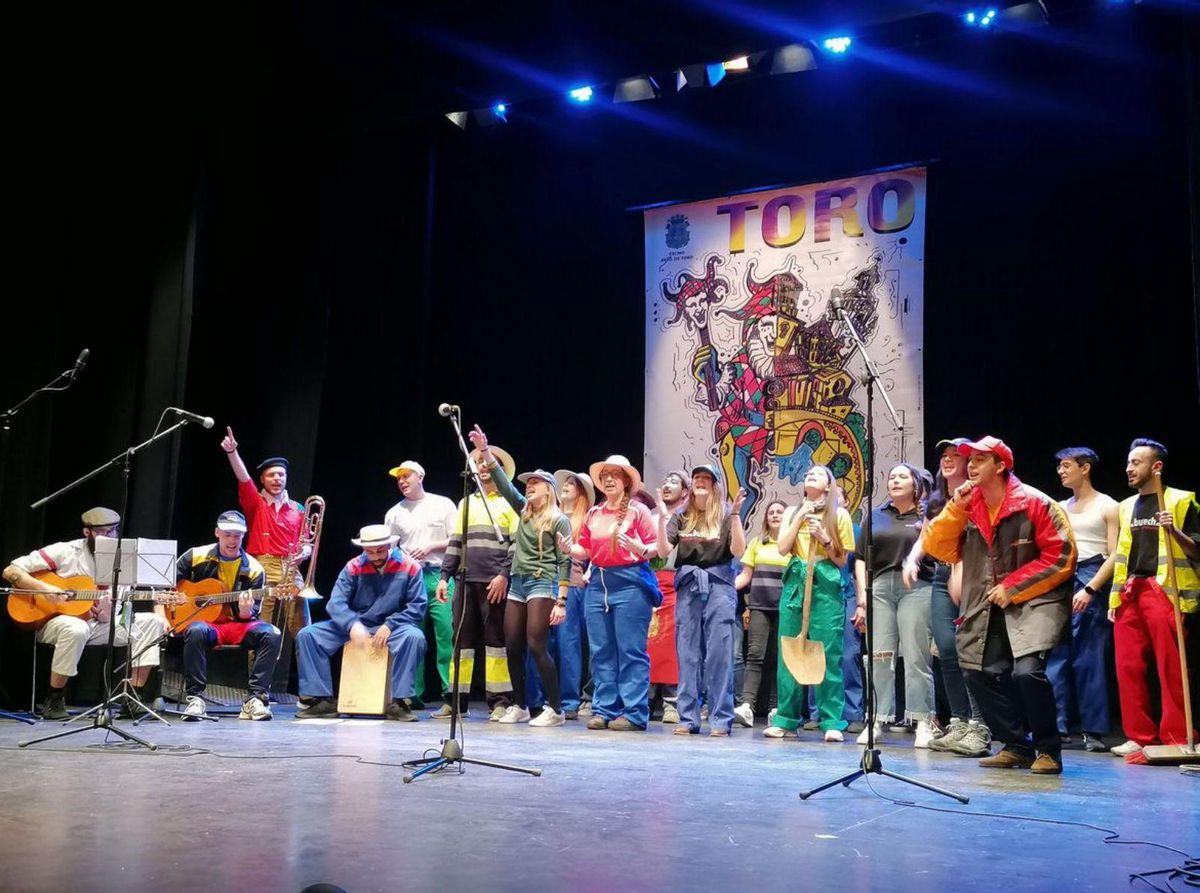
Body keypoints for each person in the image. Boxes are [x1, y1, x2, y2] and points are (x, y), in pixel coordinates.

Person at [922, 436, 1075, 775]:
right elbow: (937, 546)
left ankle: (1048, 749)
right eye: (969, 460)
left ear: (1001, 466)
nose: (971, 466)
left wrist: (1014, 586)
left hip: (1038, 598)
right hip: (989, 599)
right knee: (977, 670)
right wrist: (955, 507)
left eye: (979, 459)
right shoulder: (969, 504)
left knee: (1027, 672)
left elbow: (1061, 556)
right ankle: (1016, 744)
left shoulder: (1037, 503)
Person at [4, 507, 169, 720]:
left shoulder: (124, 559)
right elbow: (11, 571)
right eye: (102, 532)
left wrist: (106, 612)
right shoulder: (66, 551)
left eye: (112, 531)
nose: (108, 537)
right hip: (58, 622)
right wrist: (47, 589)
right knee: (77, 628)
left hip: (100, 625)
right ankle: (54, 699)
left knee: (152, 622)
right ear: (87, 533)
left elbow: (116, 615)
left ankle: (132, 698)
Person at [468, 425, 572, 727]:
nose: (529, 486)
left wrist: (561, 601)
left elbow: (564, 560)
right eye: (529, 483)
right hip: (519, 583)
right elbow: (503, 485)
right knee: (512, 645)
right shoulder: (524, 510)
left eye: (536, 483)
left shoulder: (558, 520)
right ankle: (521, 705)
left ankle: (555, 709)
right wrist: (485, 451)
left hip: (543, 581)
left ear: (549, 489)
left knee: (537, 645)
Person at [1105, 439, 1200, 761]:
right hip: (1131, 590)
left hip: (1166, 591)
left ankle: (1176, 734)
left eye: (1137, 462)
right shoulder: (1126, 506)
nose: (1129, 468)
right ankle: (1138, 736)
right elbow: (1121, 554)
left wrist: (1174, 532)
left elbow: (1197, 551)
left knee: (1170, 667)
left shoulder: (1181, 501)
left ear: (1156, 467)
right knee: (1127, 666)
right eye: (1129, 462)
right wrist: (1115, 597)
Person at [905, 437, 992, 757]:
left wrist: (960, 568)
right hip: (943, 576)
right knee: (945, 648)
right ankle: (958, 721)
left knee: (969, 650)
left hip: (974, 575)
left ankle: (980, 726)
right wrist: (912, 559)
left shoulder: (980, 496)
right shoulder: (938, 498)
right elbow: (927, 537)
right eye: (945, 455)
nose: (948, 459)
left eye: (957, 455)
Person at [562, 455, 660, 731]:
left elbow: (655, 549)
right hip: (598, 585)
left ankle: (634, 712)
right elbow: (586, 550)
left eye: (614, 474)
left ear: (626, 481)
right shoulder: (594, 513)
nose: (608, 479)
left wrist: (639, 547)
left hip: (630, 583)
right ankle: (604, 709)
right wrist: (569, 548)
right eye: (604, 475)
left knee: (630, 650)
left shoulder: (638, 511)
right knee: (601, 650)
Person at [295, 525, 427, 720]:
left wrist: (390, 625)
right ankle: (321, 700)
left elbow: (417, 605)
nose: (374, 556)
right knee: (308, 635)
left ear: (389, 545)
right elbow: (336, 603)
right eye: (369, 551)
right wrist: (352, 624)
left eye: (380, 550)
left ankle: (399, 702)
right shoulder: (353, 566)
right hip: (359, 623)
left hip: (394, 626)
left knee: (414, 637)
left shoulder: (410, 566)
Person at [655, 465, 746, 737]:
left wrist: (738, 516)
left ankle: (720, 719)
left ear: (715, 485)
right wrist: (662, 518)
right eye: (697, 478)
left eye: (706, 478)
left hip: (719, 584)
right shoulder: (682, 515)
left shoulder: (727, 514)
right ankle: (688, 718)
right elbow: (662, 550)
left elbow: (738, 551)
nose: (700, 482)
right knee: (688, 653)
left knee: (719, 654)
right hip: (689, 587)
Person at [766, 466, 855, 742]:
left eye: (818, 474)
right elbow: (782, 548)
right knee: (790, 649)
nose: (810, 475)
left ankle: (831, 721)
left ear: (829, 486)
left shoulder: (839, 515)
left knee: (829, 651)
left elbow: (842, 561)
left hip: (825, 582)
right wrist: (799, 518)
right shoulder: (793, 511)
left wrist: (824, 539)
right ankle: (786, 719)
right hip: (796, 581)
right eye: (808, 474)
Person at [854, 464, 939, 748]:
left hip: (916, 587)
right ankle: (876, 719)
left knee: (916, 656)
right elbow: (860, 557)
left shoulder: (926, 515)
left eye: (902, 476)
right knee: (879, 655)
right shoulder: (875, 515)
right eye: (891, 477)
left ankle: (923, 720)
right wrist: (861, 596)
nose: (895, 480)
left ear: (916, 484)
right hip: (879, 587)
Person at [170, 511, 282, 720]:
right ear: (217, 533)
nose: (232, 540)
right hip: (206, 623)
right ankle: (195, 698)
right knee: (195, 630)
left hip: (237, 623)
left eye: (237, 535)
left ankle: (255, 699)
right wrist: (172, 605)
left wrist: (246, 610)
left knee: (271, 634)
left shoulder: (255, 569)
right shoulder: (195, 556)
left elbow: (250, 615)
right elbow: (168, 585)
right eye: (228, 534)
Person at [437, 443, 520, 720]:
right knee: (461, 641)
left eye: (489, 463)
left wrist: (503, 576)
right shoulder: (466, 502)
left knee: (496, 642)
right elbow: (456, 542)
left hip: (493, 581)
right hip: (465, 580)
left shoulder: (509, 502)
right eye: (480, 464)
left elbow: (516, 544)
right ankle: (455, 700)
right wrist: (444, 576)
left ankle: (499, 701)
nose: (484, 467)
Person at [1047, 447, 1119, 752]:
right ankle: (1056, 725)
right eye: (1060, 467)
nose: (1061, 471)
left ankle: (1093, 729)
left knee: (1089, 657)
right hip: (1063, 576)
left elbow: (1117, 553)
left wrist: (1090, 589)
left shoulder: (1108, 505)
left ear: (1084, 468)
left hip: (1093, 575)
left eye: (1066, 466)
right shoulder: (1060, 506)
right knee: (1055, 655)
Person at [384, 460, 457, 716]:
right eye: (399, 478)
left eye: (407, 476)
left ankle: (452, 694)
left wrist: (431, 547)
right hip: (409, 578)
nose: (402, 481)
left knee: (446, 634)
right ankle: (410, 694)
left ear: (420, 476)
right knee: (412, 635)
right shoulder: (395, 512)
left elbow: (458, 539)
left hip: (439, 575)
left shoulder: (443, 504)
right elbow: (388, 549)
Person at [219, 428, 310, 635]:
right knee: (259, 628)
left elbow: (307, 541)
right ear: (263, 479)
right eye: (271, 475)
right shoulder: (256, 503)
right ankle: (258, 669)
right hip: (262, 564)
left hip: (291, 566)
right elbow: (244, 479)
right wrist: (232, 453)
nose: (277, 479)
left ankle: (307, 668)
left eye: (281, 474)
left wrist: (304, 552)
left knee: (304, 630)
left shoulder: (298, 509)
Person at [735, 500, 787, 728]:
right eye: (771, 512)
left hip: (786, 608)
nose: (775, 515)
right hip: (759, 607)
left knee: (780, 658)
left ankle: (777, 709)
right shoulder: (757, 543)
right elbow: (745, 576)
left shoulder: (794, 544)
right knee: (755, 655)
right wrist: (726, 587)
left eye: (780, 512)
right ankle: (747, 705)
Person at [648, 469, 689, 724]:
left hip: (676, 581)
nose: (667, 484)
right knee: (649, 640)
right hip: (651, 580)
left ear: (685, 491)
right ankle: (648, 699)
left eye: (674, 482)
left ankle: (672, 702)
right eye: (665, 480)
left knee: (672, 643)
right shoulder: (651, 516)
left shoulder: (688, 517)